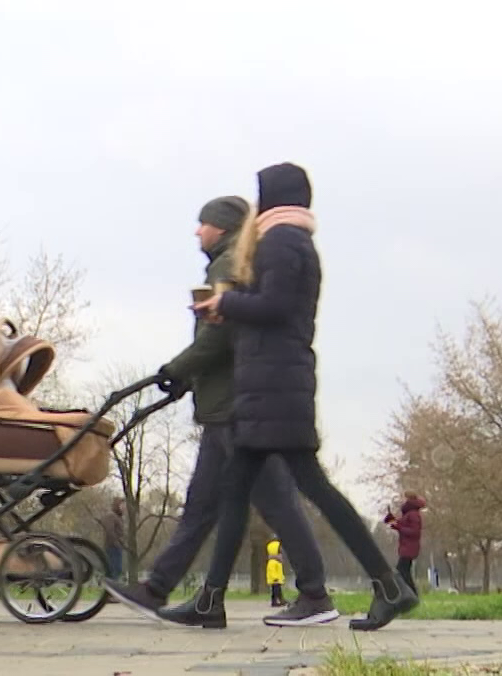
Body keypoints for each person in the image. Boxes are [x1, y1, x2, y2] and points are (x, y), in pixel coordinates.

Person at [105, 163, 420, 632]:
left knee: (316, 490)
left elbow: (274, 306)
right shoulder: (289, 242)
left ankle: (387, 587)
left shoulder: (280, 243)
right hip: (270, 386)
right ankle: (211, 601)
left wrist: (223, 304)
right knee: (234, 495)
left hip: (276, 389)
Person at [114, 196, 339, 629]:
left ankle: (314, 594)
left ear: (221, 226)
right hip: (228, 405)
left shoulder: (229, 266)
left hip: (236, 406)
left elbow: (220, 337)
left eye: (202, 224)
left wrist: (175, 370)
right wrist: (186, 377)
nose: (197, 232)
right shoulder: (239, 261)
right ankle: (175, 593)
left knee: (273, 502)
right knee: (205, 505)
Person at [384, 493, 424, 597]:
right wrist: (391, 519)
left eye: (404, 498)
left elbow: (415, 532)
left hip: (409, 548)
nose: (402, 500)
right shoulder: (409, 513)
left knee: (402, 571)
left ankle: (411, 594)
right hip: (407, 547)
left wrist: (398, 527)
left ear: (408, 499)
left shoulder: (413, 514)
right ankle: (411, 594)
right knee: (403, 571)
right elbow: (402, 525)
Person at [101, 498, 126, 579]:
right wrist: (116, 543)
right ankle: (111, 586)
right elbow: (109, 531)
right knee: (114, 569)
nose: (124, 507)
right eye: (122, 505)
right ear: (117, 505)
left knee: (117, 569)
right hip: (112, 547)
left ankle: (112, 585)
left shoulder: (119, 517)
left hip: (118, 547)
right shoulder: (111, 516)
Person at [266, 539, 287, 607]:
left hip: (277, 579)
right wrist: (275, 578)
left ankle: (277, 601)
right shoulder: (273, 562)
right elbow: (271, 570)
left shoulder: (277, 561)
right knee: (276, 591)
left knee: (276, 591)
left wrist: (281, 577)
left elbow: (279, 571)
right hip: (275, 580)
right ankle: (279, 600)